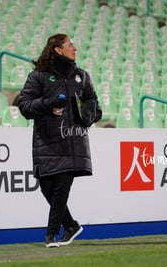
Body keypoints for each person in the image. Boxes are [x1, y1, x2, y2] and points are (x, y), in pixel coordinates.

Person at [18, 33, 102, 248]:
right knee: (47, 187)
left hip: (72, 142)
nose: (75, 49)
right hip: (45, 141)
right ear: (57, 49)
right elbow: (25, 106)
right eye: (70, 45)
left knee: (60, 189)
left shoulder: (81, 76)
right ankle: (71, 225)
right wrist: (49, 104)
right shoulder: (38, 76)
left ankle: (51, 235)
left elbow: (93, 102)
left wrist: (89, 115)